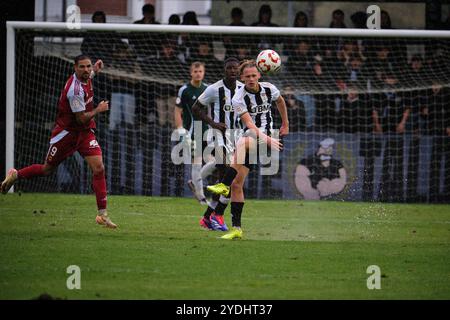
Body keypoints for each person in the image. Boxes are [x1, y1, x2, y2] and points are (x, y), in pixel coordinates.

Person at [1, 55, 117, 228]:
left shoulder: (86, 76)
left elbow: (89, 77)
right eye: (82, 67)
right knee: (47, 169)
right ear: (74, 68)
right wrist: (98, 109)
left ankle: (102, 215)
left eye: (88, 66)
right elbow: (81, 119)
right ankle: (16, 175)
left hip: (84, 134)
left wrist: (96, 71)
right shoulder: (74, 91)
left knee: (99, 168)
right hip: (66, 135)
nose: (86, 70)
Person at [207, 60, 289, 240]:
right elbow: (250, 124)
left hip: (263, 134)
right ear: (242, 78)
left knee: (244, 143)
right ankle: (236, 228)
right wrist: (267, 139)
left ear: (259, 75)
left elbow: (281, 101)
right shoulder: (238, 97)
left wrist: (285, 123)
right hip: (254, 133)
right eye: (248, 76)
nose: (251, 79)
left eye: (254, 75)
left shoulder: (269, 89)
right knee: (237, 184)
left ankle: (222, 185)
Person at [192, 57, 243, 231]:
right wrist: (213, 123)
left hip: (237, 136)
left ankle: (208, 217)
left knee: (226, 181)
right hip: (218, 135)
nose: (233, 71)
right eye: (229, 68)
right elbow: (195, 108)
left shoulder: (243, 89)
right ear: (225, 70)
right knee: (225, 174)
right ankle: (215, 217)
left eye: (235, 68)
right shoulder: (214, 89)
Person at [174, 62, 208, 204]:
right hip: (193, 131)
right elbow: (177, 110)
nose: (198, 73)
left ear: (204, 72)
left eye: (200, 71)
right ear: (191, 73)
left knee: (217, 161)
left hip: (209, 130)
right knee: (197, 162)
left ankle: (194, 182)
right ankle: (201, 197)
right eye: (195, 71)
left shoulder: (208, 89)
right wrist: (181, 130)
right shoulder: (185, 90)